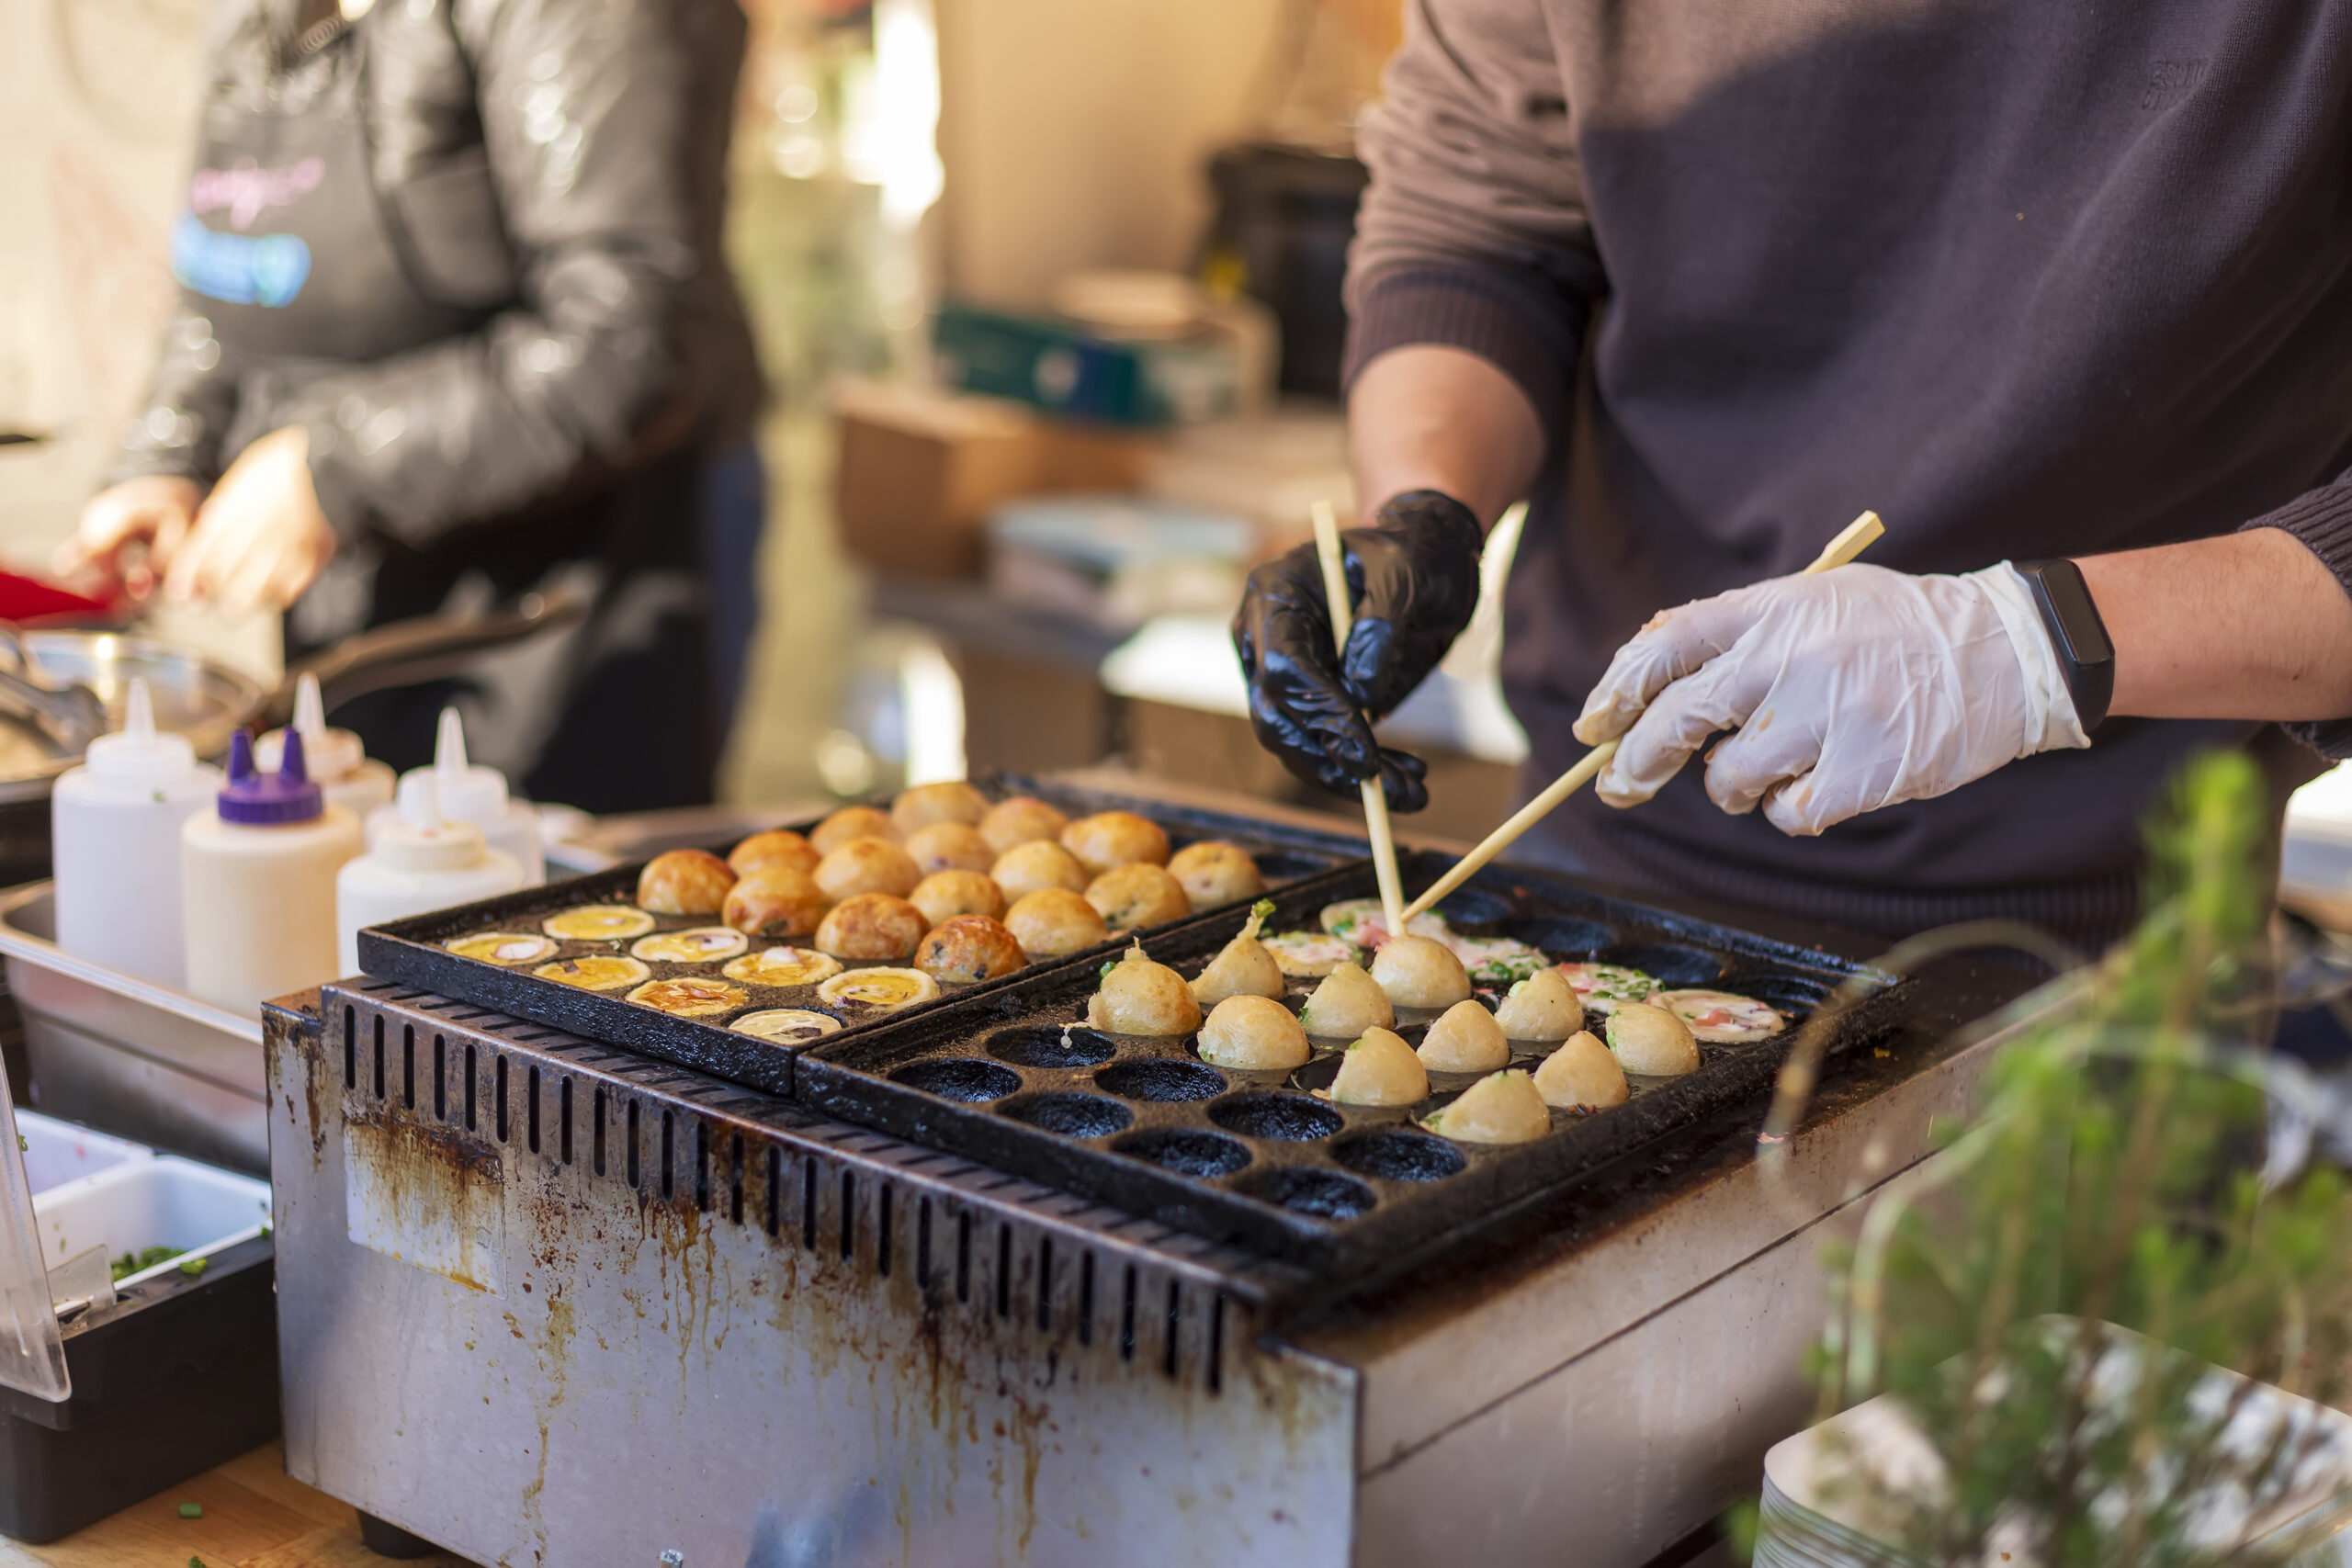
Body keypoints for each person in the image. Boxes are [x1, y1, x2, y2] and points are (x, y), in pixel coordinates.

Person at [1236, 1, 2352, 953]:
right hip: (1588, 854)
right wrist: (1427, 508)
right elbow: (1481, 226)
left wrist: (2031, 648)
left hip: (2101, 948)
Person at [62, 0, 763, 814]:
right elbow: (229, 271)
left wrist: (335, 469)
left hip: (567, 594)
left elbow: (634, 340)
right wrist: (166, 455)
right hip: (362, 605)